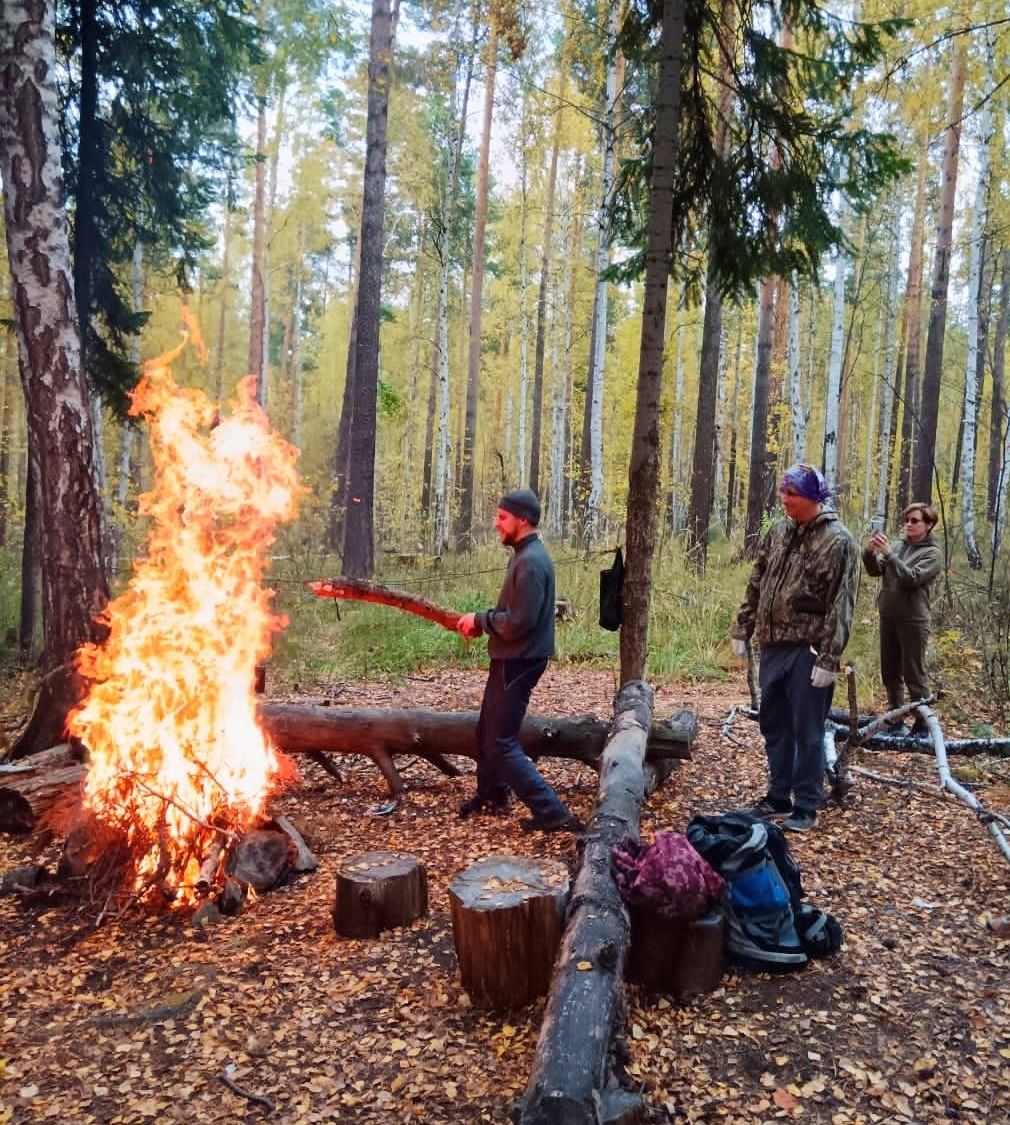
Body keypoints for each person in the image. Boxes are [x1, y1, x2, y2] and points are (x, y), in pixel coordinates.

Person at [731, 464, 859, 833]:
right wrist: (744, 624)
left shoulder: (838, 541)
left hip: (809, 650)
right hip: (773, 645)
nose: (785, 500)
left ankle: (806, 803)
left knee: (808, 730)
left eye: (793, 494)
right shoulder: (780, 530)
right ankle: (777, 795)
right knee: (774, 723)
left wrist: (829, 659)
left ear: (813, 498)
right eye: (783, 493)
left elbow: (841, 604)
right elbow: (758, 579)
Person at [455, 489, 581, 833]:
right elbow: (512, 617)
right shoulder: (523, 555)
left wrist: (482, 620)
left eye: (502, 518)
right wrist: (483, 621)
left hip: (519, 660)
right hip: (510, 656)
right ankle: (493, 793)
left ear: (522, 520)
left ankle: (552, 812)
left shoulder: (531, 562)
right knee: (487, 730)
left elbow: (518, 622)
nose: (496, 524)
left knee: (501, 740)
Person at [862, 503, 941, 735]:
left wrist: (889, 554)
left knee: (914, 674)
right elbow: (876, 571)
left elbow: (911, 579)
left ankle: (923, 723)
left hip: (913, 620)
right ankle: (895, 718)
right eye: (907, 520)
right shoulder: (898, 545)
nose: (908, 524)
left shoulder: (932, 554)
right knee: (890, 670)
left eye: (914, 521)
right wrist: (868, 552)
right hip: (889, 616)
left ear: (928, 525)